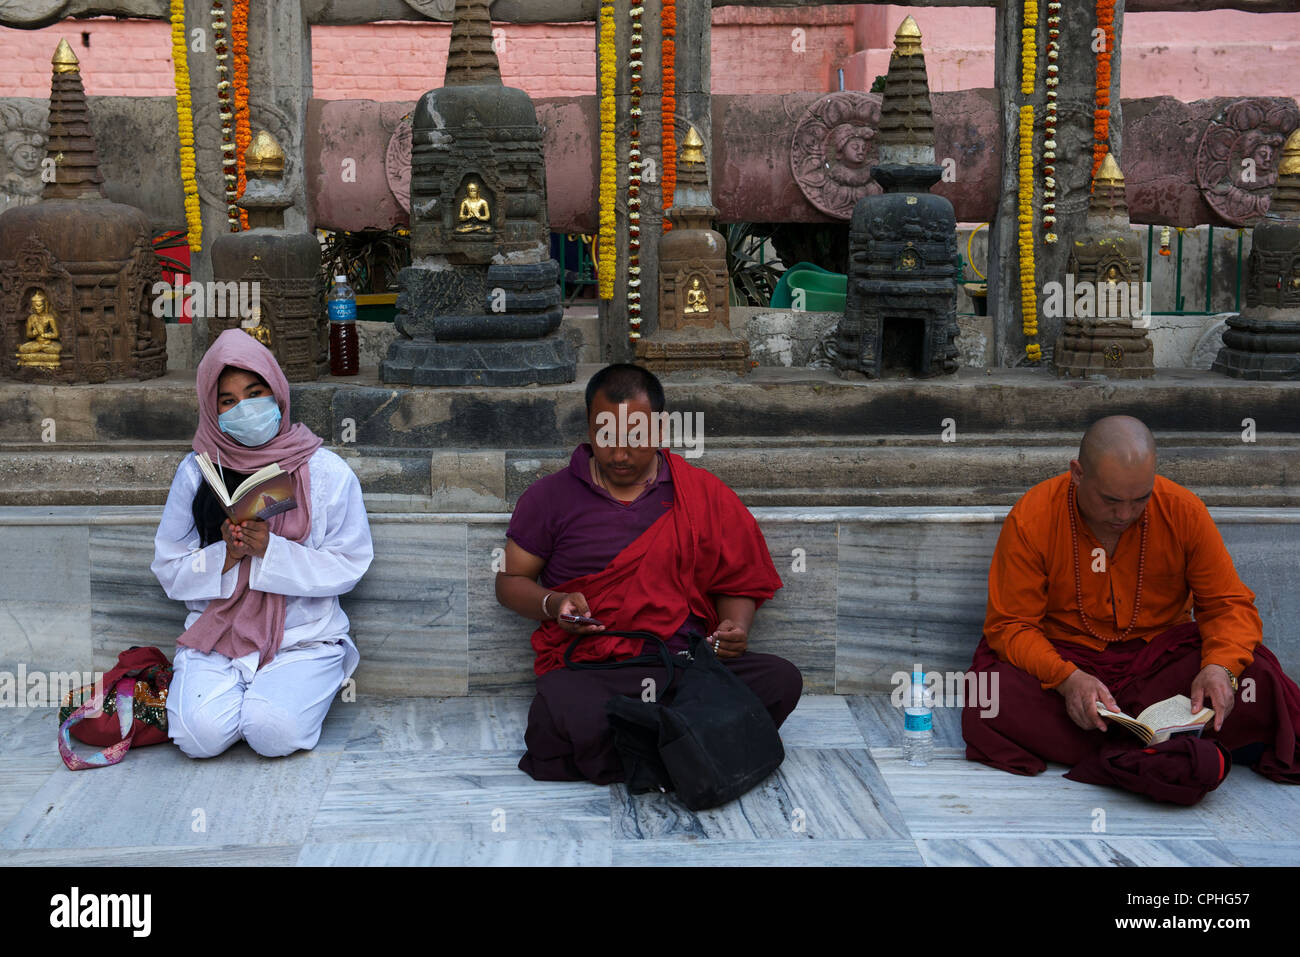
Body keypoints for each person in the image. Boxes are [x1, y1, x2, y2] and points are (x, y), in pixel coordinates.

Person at [962, 415, 1300, 804]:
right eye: (1110, 500)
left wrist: (1218, 667)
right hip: (1066, 665)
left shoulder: (1182, 510)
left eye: (1140, 499)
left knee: (1259, 677)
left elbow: (1228, 605)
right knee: (989, 697)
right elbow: (1011, 626)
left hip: (1160, 670)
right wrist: (1067, 679)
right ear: (1077, 473)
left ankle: (1132, 750)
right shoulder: (1034, 516)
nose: (1125, 515)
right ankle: (1173, 751)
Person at [496, 363, 803, 784]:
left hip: (683, 665)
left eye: (634, 438)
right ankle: (692, 747)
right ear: (589, 425)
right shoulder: (548, 498)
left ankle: (644, 749)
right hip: (597, 669)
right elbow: (510, 582)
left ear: (659, 430)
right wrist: (553, 603)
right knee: (559, 712)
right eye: (607, 437)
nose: (619, 454)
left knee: (780, 680)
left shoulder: (700, 492)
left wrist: (734, 628)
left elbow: (738, 578)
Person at [152, 329, 373, 759]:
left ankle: (269, 700)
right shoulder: (198, 473)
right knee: (198, 739)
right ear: (211, 410)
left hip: (302, 637)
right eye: (229, 401)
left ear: (277, 392)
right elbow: (169, 570)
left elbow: (351, 562)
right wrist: (227, 556)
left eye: (255, 393)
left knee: (273, 733)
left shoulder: (325, 471)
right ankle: (244, 697)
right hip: (217, 637)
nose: (245, 409)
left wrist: (271, 551)